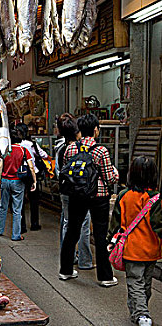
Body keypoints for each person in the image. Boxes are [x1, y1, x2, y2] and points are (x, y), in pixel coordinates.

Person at [59, 114, 119, 286]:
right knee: (100, 235)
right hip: (98, 196)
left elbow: (66, 171)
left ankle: (66, 270)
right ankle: (105, 277)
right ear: (95, 130)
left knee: (72, 231)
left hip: (76, 194)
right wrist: (115, 173)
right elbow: (109, 178)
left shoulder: (70, 149)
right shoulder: (101, 151)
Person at [107, 156, 161, 326]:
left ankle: (140, 314)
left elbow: (115, 222)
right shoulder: (157, 199)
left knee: (135, 282)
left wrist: (111, 239)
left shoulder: (124, 196)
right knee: (145, 282)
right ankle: (140, 312)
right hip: (151, 249)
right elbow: (158, 226)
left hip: (131, 249)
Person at [55, 113, 94, 270]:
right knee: (84, 224)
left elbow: (59, 172)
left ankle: (69, 257)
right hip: (80, 191)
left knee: (67, 223)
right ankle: (85, 260)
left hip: (65, 190)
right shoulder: (80, 149)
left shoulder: (60, 149)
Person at [0, 125, 36, 241]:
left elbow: (0, 165)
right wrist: (34, 181)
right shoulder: (24, 150)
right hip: (18, 181)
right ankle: (16, 235)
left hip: (5, 180)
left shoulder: (6, 150)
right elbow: (31, 167)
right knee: (17, 209)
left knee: (3, 206)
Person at [17, 123, 49, 232]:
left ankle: (21, 226)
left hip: (19, 174)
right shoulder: (31, 144)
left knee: (19, 200)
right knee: (34, 200)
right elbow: (43, 155)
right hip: (32, 174)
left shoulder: (15, 145)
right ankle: (34, 224)